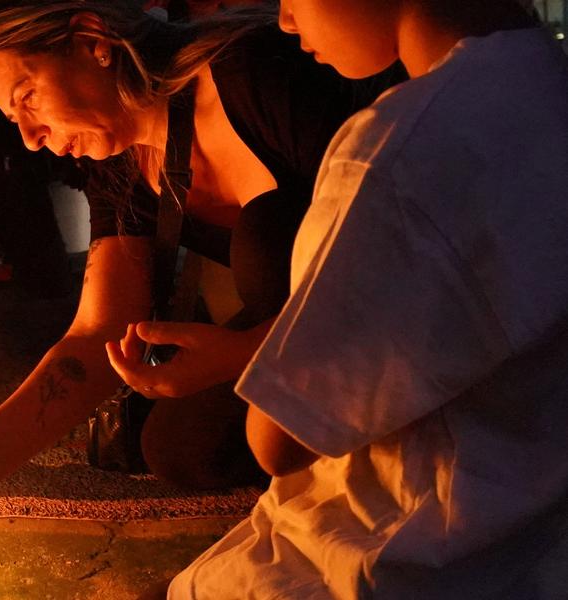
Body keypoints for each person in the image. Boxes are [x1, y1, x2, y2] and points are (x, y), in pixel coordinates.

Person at [0, 0, 396, 564]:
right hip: (290, 326)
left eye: (28, 97)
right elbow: (96, 335)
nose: (32, 139)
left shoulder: (254, 75)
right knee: (176, 446)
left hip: (389, 313)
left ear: (93, 40)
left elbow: (400, 261)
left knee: (266, 240)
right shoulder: (122, 163)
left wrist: (239, 354)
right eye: (15, 122)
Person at [109, 0, 568, 597]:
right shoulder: (543, 81)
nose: (286, 21)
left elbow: (275, 442)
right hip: (531, 533)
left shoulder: (390, 151)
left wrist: (262, 360)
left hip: (400, 558)